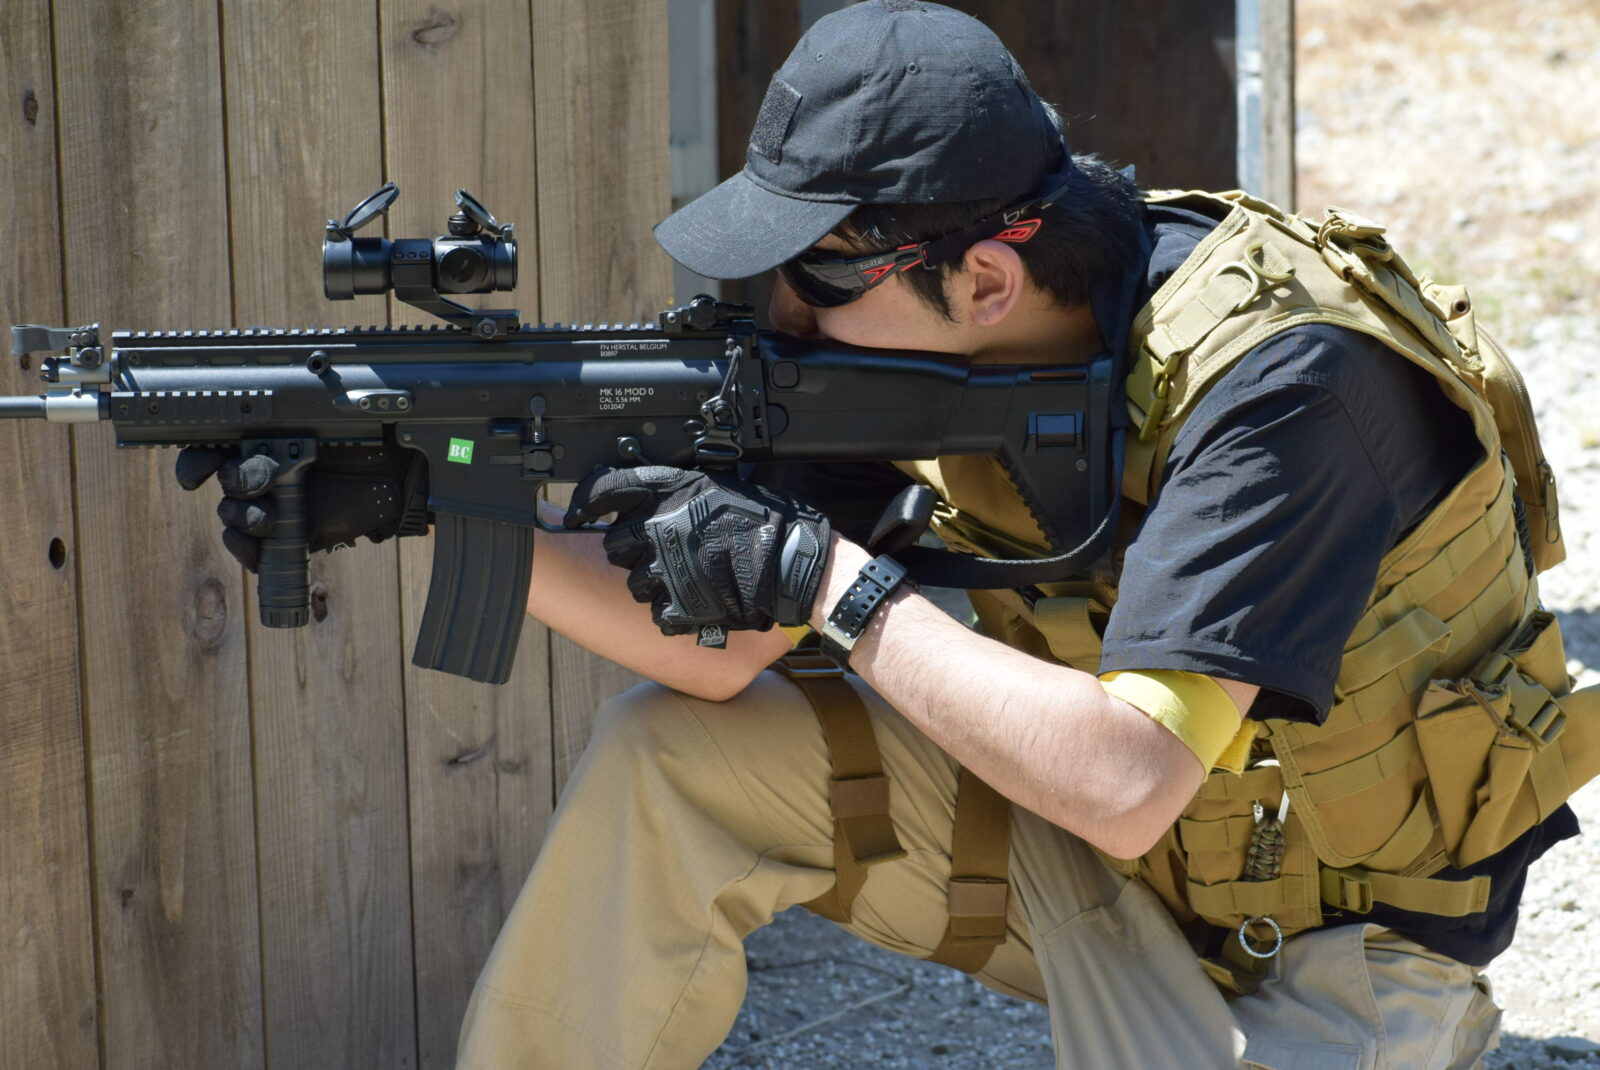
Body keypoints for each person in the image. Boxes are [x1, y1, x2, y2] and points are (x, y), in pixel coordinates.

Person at [181, 2, 1591, 1066]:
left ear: (986, 278)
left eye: (815, 274)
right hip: (1109, 880)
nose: (782, 314)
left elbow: (1125, 781)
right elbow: (722, 657)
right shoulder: (922, 350)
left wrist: (832, 582)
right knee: (671, 753)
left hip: (1328, 958)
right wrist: (440, 500)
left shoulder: (1286, 386)